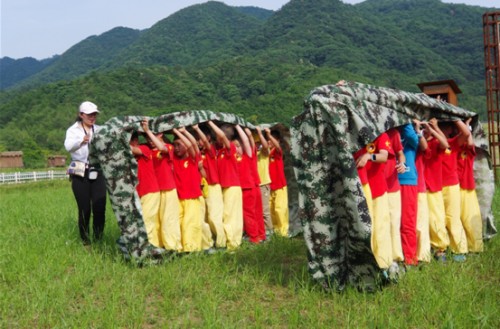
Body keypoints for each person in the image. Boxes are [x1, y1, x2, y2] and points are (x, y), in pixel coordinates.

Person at [64, 101, 107, 245]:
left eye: (94, 114)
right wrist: (82, 141)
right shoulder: (73, 130)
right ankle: (85, 240)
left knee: (99, 207)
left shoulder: (100, 129)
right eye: (89, 114)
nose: (92, 117)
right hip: (80, 171)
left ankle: (98, 238)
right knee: (84, 209)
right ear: (81, 115)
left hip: (98, 170)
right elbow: (68, 147)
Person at [355, 132, 394, 279]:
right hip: (360, 188)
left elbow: (384, 156)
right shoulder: (352, 133)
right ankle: (367, 264)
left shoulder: (380, 135)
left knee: (380, 227)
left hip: (377, 189)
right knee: (364, 227)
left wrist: (368, 156)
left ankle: (383, 264)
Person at [438, 119, 470, 262]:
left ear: (451, 129)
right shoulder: (432, 142)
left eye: (445, 126)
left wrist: (456, 119)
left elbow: (466, 133)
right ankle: (440, 250)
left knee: (452, 217)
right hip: (434, 186)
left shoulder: (453, 143)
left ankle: (459, 249)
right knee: (438, 219)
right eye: (440, 126)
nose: (442, 129)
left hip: (451, 185)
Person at [208, 121, 243, 250]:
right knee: (225, 215)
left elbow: (222, 136)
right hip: (224, 186)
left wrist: (210, 123)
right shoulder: (219, 150)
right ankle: (227, 241)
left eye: (216, 135)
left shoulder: (230, 148)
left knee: (231, 216)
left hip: (232, 186)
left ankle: (233, 244)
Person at [193, 124, 226, 249]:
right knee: (203, 218)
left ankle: (221, 243)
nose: (198, 141)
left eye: (199, 138)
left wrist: (196, 129)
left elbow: (205, 142)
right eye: (196, 139)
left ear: (207, 137)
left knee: (214, 216)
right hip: (201, 188)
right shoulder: (196, 153)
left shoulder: (210, 150)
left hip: (213, 186)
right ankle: (208, 244)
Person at [129, 120, 162, 248]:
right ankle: (152, 246)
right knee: (146, 221)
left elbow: (132, 149)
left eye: (131, 141)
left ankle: (148, 249)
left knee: (147, 221)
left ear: (135, 141)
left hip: (151, 191)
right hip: (141, 192)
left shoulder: (145, 149)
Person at [171, 127, 204, 253]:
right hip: (178, 198)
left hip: (192, 198)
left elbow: (192, 144)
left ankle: (191, 250)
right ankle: (180, 249)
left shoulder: (193, 158)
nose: (176, 148)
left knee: (190, 225)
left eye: (179, 144)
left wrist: (181, 132)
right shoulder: (174, 158)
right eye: (174, 145)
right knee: (178, 224)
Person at [422, 119, 450, 262]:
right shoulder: (420, 143)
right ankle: (427, 249)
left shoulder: (435, 143)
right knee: (423, 220)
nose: (424, 131)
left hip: (433, 187)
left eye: (426, 129)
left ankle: (440, 250)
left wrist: (432, 129)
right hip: (420, 188)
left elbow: (445, 144)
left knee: (436, 219)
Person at [456, 118, 483, 253]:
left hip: (467, 188)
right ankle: (462, 246)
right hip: (455, 188)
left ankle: (475, 247)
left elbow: (470, 142)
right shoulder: (453, 147)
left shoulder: (468, 150)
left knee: (470, 218)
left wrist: (467, 127)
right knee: (458, 219)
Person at [397, 123, 420, 266]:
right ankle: (396, 256)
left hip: (407, 180)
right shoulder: (388, 131)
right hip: (388, 181)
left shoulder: (409, 134)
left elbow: (414, 139)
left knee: (407, 222)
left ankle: (410, 259)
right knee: (393, 223)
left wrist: (405, 121)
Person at [266, 128, 289, 237]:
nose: (269, 142)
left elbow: (278, 146)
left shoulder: (278, 152)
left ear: (277, 140)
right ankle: (276, 231)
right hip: (270, 186)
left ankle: (283, 232)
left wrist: (269, 135)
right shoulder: (266, 153)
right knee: (271, 210)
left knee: (280, 209)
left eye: (271, 140)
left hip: (280, 186)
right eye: (268, 140)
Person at [255, 127, 274, 238]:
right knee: (258, 211)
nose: (257, 145)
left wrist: (260, 134)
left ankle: (270, 233)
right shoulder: (251, 153)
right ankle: (262, 232)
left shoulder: (263, 153)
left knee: (265, 211)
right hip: (256, 184)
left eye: (258, 143)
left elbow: (266, 146)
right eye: (255, 143)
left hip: (263, 184)